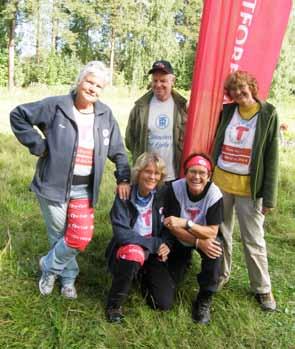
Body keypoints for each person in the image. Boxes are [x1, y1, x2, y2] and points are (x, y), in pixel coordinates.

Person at [10, 61, 130, 299]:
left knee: (79, 237)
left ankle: (47, 265)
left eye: (98, 85)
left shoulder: (105, 115)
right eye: (89, 81)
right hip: (52, 185)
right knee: (59, 236)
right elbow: (18, 115)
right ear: (79, 81)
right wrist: (38, 145)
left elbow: (117, 150)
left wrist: (123, 176)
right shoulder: (56, 106)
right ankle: (66, 280)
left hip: (84, 189)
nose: (93, 88)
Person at [212, 70, 279, 311]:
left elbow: (272, 158)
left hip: (250, 189)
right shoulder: (228, 111)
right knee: (221, 233)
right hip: (221, 183)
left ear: (251, 86)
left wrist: (268, 196)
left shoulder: (268, 114)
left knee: (254, 239)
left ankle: (262, 288)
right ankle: (220, 275)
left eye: (242, 88)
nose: (239, 93)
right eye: (234, 90)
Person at [105, 152, 175, 323]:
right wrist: (155, 243)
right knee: (133, 254)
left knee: (163, 303)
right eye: (147, 171)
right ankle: (114, 305)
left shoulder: (163, 195)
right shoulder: (125, 193)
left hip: (153, 251)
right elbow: (122, 234)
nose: (152, 176)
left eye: (156, 173)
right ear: (138, 172)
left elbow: (169, 224)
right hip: (130, 247)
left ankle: (139, 274)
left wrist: (166, 243)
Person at [163, 153, 223, 324]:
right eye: (192, 171)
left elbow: (212, 232)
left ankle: (204, 299)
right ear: (185, 172)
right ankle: (184, 259)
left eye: (202, 173)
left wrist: (187, 223)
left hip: (202, 234)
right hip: (181, 237)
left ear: (209, 175)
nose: (197, 177)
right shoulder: (174, 188)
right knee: (171, 281)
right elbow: (172, 227)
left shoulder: (214, 194)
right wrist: (197, 242)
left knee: (215, 250)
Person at [125, 60, 187, 181]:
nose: (158, 85)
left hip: (173, 177)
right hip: (147, 177)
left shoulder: (182, 107)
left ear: (172, 81)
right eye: (155, 80)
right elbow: (129, 139)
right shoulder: (140, 107)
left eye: (163, 81)